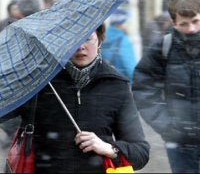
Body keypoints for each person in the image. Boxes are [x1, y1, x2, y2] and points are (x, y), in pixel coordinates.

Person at [0, 22, 150, 173]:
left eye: (88, 39)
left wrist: (110, 148)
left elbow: (140, 152)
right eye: (73, 40)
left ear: (99, 40)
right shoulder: (39, 81)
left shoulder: (116, 86)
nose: (80, 47)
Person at [132, 0, 200, 173]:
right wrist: (168, 126)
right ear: (174, 23)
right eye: (184, 24)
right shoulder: (163, 48)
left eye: (196, 21)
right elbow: (142, 88)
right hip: (180, 143)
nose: (191, 29)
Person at [0, 0, 42, 149]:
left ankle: (15, 135)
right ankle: (17, 135)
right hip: (27, 77)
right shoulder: (39, 27)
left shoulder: (8, 26)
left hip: (12, 77)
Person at [101, 8, 137, 84]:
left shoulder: (102, 37)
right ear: (123, 23)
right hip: (121, 82)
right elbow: (129, 65)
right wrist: (136, 80)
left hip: (104, 80)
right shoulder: (123, 40)